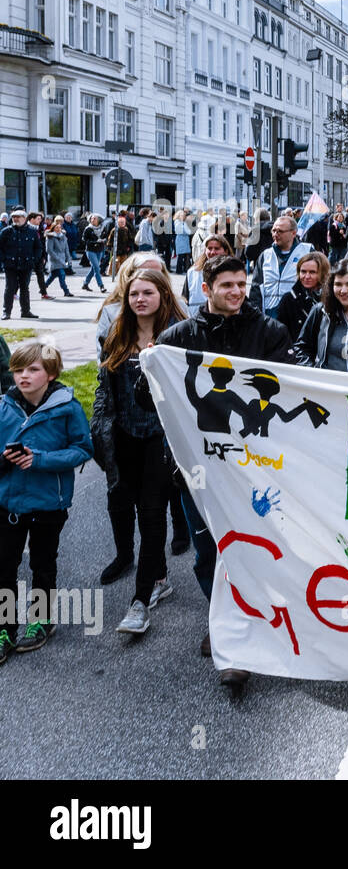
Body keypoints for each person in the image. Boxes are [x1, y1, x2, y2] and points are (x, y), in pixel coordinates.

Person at [151, 254, 293, 692]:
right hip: (197, 471)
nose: (235, 292)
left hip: (257, 469)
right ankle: (227, 629)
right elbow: (153, 398)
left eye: (242, 285)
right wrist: (150, 371)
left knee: (258, 545)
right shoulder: (177, 338)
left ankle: (254, 622)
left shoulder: (269, 332)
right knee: (209, 551)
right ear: (206, 286)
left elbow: (289, 387)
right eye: (226, 285)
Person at [93, 270, 188, 630]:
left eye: (148, 293)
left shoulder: (176, 338)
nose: (140, 300)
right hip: (122, 435)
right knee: (122, 504)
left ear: (162, 295)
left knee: (151, 513)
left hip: (160, 438)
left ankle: (140, 600)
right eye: (134, 294)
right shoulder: (116, 334)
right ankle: (157, 577)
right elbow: (105, 387)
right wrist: (99, 430)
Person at [0, 340, 93, 662]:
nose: (23, 376)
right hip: (8, 503)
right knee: (4, 568)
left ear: (50, 374)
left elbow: (83, 449)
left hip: (48, 504)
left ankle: (41, 620)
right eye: (18, 370)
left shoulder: (67, 408)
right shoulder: (3, 406)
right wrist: (6, 458)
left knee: (42, 565)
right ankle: (5, 628)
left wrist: (39, 460)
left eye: (33, 369)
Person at [96, 252, 167, 358]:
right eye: (146, 274)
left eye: (158, 274)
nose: (153, 279)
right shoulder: (112, 312)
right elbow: (103, 357)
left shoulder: (178, 308)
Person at [250, 214, 310, 321]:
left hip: (297, 317)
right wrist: (256, 316)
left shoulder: (307, 251)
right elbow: (256, 288)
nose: (275, 234)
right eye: (273, 231)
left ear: (293, 233)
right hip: (269, 317)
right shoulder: (265, 255)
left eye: (280, 231)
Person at [277, 252, 329, 343]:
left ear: (322, 273)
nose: (307, 276)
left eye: (312, 272)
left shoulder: (330, 299)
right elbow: (281, 333)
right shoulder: (288, 300)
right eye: (303, 272)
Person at [0, 209, 41, 319]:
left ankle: (26, 311)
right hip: (10, 264)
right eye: (13, 217)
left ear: (24, 218)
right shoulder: (6, 231)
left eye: (18, 217)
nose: (15, 219)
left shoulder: (32, 231)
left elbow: (38, 247)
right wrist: (4, 259)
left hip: (26, 264)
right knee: (10, 288)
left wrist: (34, 260)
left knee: (24, 288)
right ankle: (6, 312)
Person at [184, 236, 235, 318]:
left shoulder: (234, 272)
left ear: (226, 251)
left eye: (217, 248)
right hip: (197, 320)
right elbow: (185, 299)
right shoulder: (193, 272)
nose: (212, 252)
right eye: (210, 248)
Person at [44, 217, 74, 298]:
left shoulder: (63, 236)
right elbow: (49, 250)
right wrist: (58, 259)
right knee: (62, 274)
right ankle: (66, 291)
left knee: (52, 276)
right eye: (56, 227)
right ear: (53, 228)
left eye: (59, 227)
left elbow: (66, 249)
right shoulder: (50, 237)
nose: (58, 229)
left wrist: (69, 259)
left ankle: (43, 288)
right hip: (54, 260)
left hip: (62, 259)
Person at [80, 213, 108, 292]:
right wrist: (94, 241)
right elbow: (84, 240)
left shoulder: (103, 228)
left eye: (94, 218)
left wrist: (104, 240)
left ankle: (85, 283)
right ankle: (101, 286)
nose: (92, 220)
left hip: (100, 250)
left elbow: (106, 237)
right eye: (91, 218)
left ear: (98, 220)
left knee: (93, 268)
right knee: (97, 268)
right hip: (90, 250)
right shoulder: (88, 229)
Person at [109, 213, 136, 277]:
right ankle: (114, 273)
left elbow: (130, 238)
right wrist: (109, 246)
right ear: (118, 223)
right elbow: (110, 239)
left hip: (124, 249)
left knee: (124, 263)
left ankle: (123, 273)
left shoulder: (126, 230)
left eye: (123, 222)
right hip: (116, 250)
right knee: (115, 262)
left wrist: (129, 246)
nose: (122, 223)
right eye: (121, 222)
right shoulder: (114, 230)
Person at [173, 208, 193, 274]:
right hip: (181, 240)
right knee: (180, 256)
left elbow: (189, 231)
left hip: (185, 240)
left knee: (186, 255)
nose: (184, 217)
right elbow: (180, 231)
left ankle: (185, 269)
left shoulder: (183, 222)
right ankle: (179, 270)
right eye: (183, 215)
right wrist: (186, 232)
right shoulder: (177, 222)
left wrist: (186, 232)